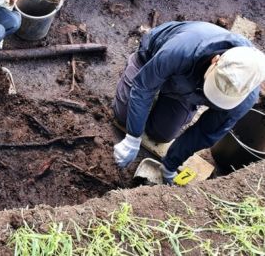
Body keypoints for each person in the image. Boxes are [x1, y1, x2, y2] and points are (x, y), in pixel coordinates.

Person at [112, 21, 265, 183]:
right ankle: (140, 84)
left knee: (161, 134)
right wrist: (133, 138)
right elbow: (143, 86)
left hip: (186, 91)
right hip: (151, 59)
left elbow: (205, 132)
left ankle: (163, 101)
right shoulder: (181, 50)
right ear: (215, 60)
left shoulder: (243, 99)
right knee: (124, 116)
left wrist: (171, 165)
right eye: (215, 88)